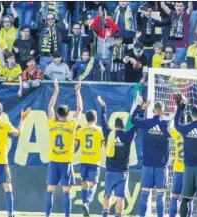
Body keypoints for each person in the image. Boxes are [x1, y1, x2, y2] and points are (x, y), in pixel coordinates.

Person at [0, 102, 30, 217]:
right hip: (1, 160)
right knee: (7, 188)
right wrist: (22, 119)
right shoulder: (5, 125)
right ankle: (10, 213)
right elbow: (18, 134)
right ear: (2, 113)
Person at [45, 80, 83, 217]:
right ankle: (67, 215)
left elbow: (49, 107)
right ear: (67, 115)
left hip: (54, 160)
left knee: (50, 190)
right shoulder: (71, 125)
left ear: (57, 114)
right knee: (67, 191)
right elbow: (80, 109)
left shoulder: (51, 123)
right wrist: (77, 91)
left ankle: (47, 215)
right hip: (66, 161)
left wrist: (56, 90)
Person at [98, 95, 138, 217]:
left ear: (114, 125)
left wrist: (104, 107)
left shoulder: (108, 133)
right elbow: (137, 124)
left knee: (107, 195)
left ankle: (104, 214)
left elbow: (103, 121)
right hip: (122, 172)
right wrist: (140, 108)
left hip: (110, 170)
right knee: (120, 198)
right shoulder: (128, 135)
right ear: (124, 125)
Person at [131, 95, 171, 217]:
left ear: (153, 110)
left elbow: (133, 120)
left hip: (147, 164)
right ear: (163, 112)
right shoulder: (167, 125)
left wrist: (141, 107)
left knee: (144, 192)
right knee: (160, 194)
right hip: (161, 165)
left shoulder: (147, 123)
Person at [75, 109, 105, 217]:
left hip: (83, 159)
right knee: (93, 184)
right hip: (94, 160)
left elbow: (74, 146)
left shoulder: (81, 130)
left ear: (86, 118)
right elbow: (105, 146)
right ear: (95, 118)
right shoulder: (100, 130)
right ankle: (87, 203)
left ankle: (84, 207)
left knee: (84, 182)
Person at [169, 114, 192, 217]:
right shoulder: (192, 133)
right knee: (188, 197)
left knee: (174, 196)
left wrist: (174, 115)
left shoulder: (176, 132)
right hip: (190, 170)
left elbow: (168, 127)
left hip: (178, 169)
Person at [91, 8, 119, 81]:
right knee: (98, 76)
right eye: (106, 19)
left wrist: (108, 19)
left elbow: (116, 28)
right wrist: (99, 17)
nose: (107, 21)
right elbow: (93, 26)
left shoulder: (112, 31)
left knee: (108, 77)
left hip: (109, 58)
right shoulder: (101, 30)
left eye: (109, 19)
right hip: (99, 57)